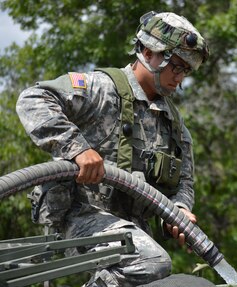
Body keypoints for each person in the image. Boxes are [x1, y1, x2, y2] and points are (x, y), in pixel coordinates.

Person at [16, 11, 209, 286]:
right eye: (175, 66)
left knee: (158, 269)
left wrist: (178, 211)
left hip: (134, 232)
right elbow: (33, 99)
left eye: (186, 70)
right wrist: (77, 148)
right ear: (147, 51)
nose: (180, 77)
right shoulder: (101, 88)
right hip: (81, 216)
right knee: (151, 262)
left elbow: (185, 183)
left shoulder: (175, 126)